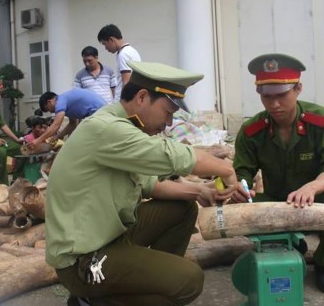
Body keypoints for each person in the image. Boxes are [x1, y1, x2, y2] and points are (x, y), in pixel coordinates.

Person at [45, 61, 238, 306]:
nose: (168, 123)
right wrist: (226, 169)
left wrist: (200, 191)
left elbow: (152, 185)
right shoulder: (107, 129)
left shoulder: (123, 128)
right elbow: (173, 155)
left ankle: (137, 282)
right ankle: (93, 299)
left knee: (183, 207)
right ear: (142, 97)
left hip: (110, 238)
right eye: (168, 113)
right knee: (189, 280)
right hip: (84, 260)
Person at [232, 53, 324, 294]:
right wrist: (242, 189)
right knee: (239, 209)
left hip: (314, 200)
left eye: (281, 96)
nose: (274, 105)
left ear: (298, 89)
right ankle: (288, 244)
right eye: (267, 97)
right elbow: (242, 171)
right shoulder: (252, 130)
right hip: (277, 202)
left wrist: (312, 188)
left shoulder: (322, 120)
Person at [27, 89, 106, 150]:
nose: (51, 112)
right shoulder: (67, 104)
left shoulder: (60, 101)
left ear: (49, 102)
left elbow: (56, 125)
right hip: (100, 114)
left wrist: (38, 140)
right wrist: (57, 137)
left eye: (48, 109)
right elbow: (72, 124)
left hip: (100, 114)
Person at [97, 23, 141, 102]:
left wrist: (123, 102)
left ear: (111, 40)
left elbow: (126, 82)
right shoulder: (132, 51)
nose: (105, 48)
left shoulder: (123, 54)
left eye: (105, 44)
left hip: (124, 100)